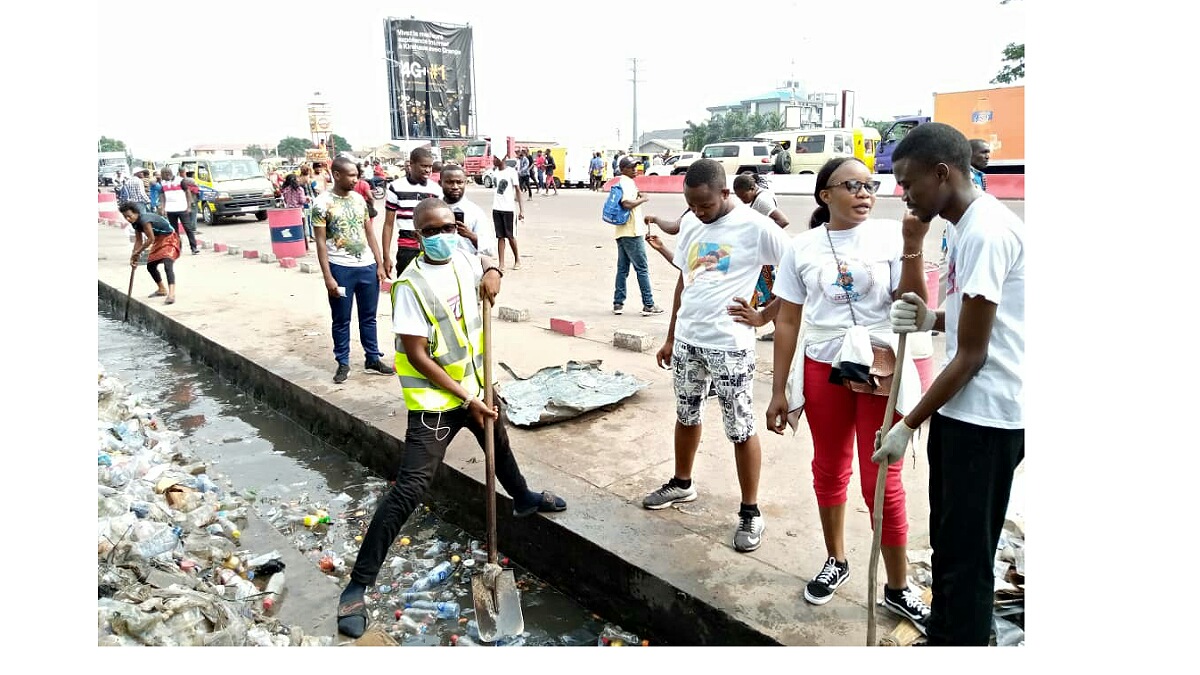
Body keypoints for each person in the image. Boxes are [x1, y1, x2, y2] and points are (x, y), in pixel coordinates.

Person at [335, 197, 567, 639]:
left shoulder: (463, 257)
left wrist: (495, 273)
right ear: (417, 236)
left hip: (477, 387)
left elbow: (484, 259)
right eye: (430, 231)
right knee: (410, 489)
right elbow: (418, 356)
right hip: (437, 404)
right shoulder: (409, 286)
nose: (441, 236)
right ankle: (357, 585)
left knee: (498, 447)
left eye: (447, 226)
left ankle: (523, 499)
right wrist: (466, 396)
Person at [763, 156, 932, 628]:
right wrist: (778, 390)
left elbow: (915, 304)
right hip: (825, 365)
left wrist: (913, 246)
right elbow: (789, 319)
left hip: (884, 365)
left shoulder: (891, 237)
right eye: (852, 185)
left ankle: (897, 587)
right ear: (825, 196)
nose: (864, 193)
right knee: (829, 466)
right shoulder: (803, 248)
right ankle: (836, 559)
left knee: (880, 479)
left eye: (869, 185)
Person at [876, 122, 1025, 646]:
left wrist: (906, 425)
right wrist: (932, 319)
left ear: (941, 172)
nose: (903, 193)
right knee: (951, 545)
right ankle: (948, 635)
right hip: (963, 415)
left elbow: (974, 356)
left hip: (985, 419)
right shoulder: (964, 226)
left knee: (966, 558)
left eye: (906, 180)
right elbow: (974, 323)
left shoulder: (986, 231)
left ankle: (956, 645)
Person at [642, 159, 791, 553]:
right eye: (692, 205)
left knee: (740, 427)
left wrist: (763, 315)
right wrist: (671, 335)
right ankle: (682, 483)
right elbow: (685, 279)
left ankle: (750, 510)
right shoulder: (693, 221)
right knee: (685, 415)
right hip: (690, 341)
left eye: (706, 205)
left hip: (729, 345)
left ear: (725, 193)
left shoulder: (756, 227)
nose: (699, 212)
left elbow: (799, 275)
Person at [311, 157, 396, 384]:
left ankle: (372, 358)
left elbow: (369, 233)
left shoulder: (359, 200)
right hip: (341, 270)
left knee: (369, 317)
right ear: (336, 175)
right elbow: (320, 243)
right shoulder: (321, 203)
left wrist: (379, 264)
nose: (355, 179)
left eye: (356, 175)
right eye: (350, 175)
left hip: (366, 268)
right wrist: (328, 277)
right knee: (341, 319)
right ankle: (343, 362)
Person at [733, 173, 790, 341]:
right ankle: (773, 329)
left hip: (766, 259)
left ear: (752, 188)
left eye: (743, 196)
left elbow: (783, 220)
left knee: (768, 295)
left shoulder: (762, 201)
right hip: (763, 256)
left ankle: (778, 330)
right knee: (763, 295)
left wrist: (761, 239)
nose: (742, 200)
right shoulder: (759, 196)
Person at [610, 155, 662, 316]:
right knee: (642, 268)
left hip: (622, 231)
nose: (635, 169)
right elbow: (626, 204)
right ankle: (648, 303)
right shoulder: (626, 183)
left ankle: (618, 303)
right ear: (623, 169)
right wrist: (643, 199)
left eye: (636, 166)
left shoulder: (624, 182)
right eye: (632, 167)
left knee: (622, 269)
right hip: (632, 232)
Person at [382, 147, 443, 279]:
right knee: (405, 286)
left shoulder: (436, 189)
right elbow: (388, 224)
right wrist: (386, 257)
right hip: (406, 248)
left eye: (430, 166)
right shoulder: (395, 187)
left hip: (431, 248)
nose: (428, 170)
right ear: (411, 164)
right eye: (423, 166)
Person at [122, 201, 180, 304]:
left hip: (169, 237)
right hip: (159, 240)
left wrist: (138, 252)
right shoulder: (135, 224)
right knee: (150, 266)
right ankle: (161, 289)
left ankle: (171, 294)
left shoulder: (144, 220)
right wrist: (134, 256)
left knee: (168, 263)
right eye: (125, 217)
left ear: (136, 213)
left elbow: (150, 239)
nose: (128, 219)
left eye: (129, 216)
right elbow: (138, 240)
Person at [440, 164, 496, 258]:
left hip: (467, 268)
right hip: (439, 267)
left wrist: (470, 235)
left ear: (465, 183)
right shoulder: (433, 211)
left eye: (459, 182)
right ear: (440, 183)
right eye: (450, 182)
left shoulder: (475, 212)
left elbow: (490, 250)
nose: (455, 186)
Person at [490, 155, 524, 270]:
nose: (493, 160)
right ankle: (501, 263)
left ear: (502, 158)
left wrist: (521, 210)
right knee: (500, 236)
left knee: (510, 236)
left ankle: (517, 259)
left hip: (509, 209)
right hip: (496, 208)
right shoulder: (495, 172)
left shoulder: (511, 172)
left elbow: (518, 191)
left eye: (495, 158)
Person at [158, 168, 198, 255]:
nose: (161, 177)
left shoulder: (180, 181)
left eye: (162, 175)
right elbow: (162, 195)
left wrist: (189, 206)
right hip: (170, 209)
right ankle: (178, 248)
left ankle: (194, 247)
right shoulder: (163, 182)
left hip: (182, 208)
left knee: (188, 228)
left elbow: (187, 192)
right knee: (174, 231)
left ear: (167, 174)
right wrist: (163, 207)